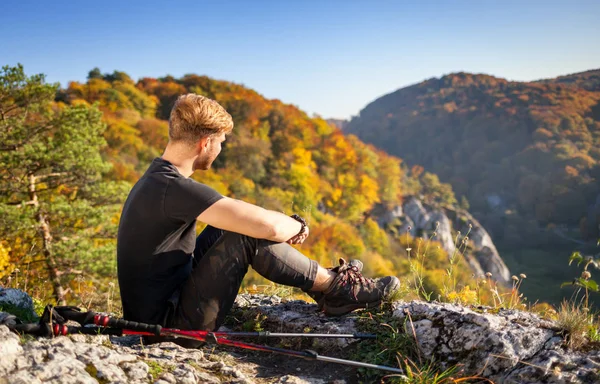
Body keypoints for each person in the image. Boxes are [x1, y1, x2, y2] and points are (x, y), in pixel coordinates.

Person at [116, 94, 400, 343]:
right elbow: (268, 227)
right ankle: (336, 288)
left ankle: (329, 286)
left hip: (159, 312)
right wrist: (299, 225)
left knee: (227, 226)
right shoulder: (173, 188)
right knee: (248, 233)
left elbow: (243, 214)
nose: (221, 149)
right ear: (205, 143)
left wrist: (282, 225)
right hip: (170, 328)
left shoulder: (158, 179)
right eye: (221, 142)